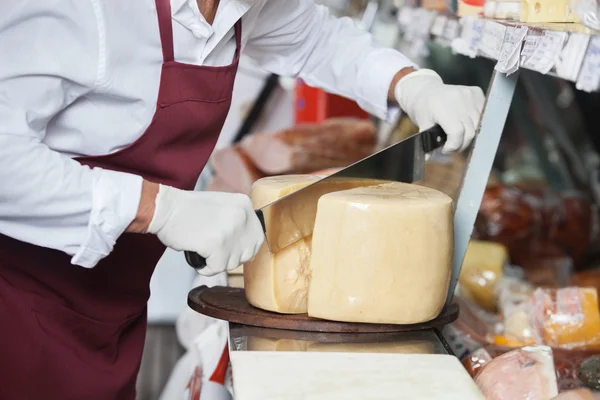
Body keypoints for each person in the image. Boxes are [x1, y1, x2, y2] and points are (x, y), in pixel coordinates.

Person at [0, 0, 485, 399]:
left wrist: (410, 83)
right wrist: (158, 208)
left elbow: (317, 37)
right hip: (18, 311)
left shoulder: (240, 6)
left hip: (109, 307)